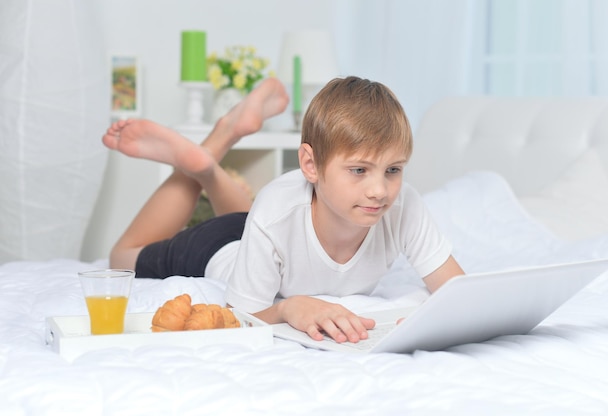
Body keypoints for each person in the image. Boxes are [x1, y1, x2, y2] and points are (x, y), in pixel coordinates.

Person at [103, 76, 464, 344]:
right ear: (311, 164)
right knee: (121, 256)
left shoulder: (403, 204)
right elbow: (244, 315)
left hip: (260, 229)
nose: (380, 190)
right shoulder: (278, 207)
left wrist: (430, 321)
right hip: (218, 248)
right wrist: (290, 307)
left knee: (260, 220)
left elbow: (458, 290)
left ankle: (211, 162)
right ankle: (209, 154)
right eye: (359, 170)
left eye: (393, 170)